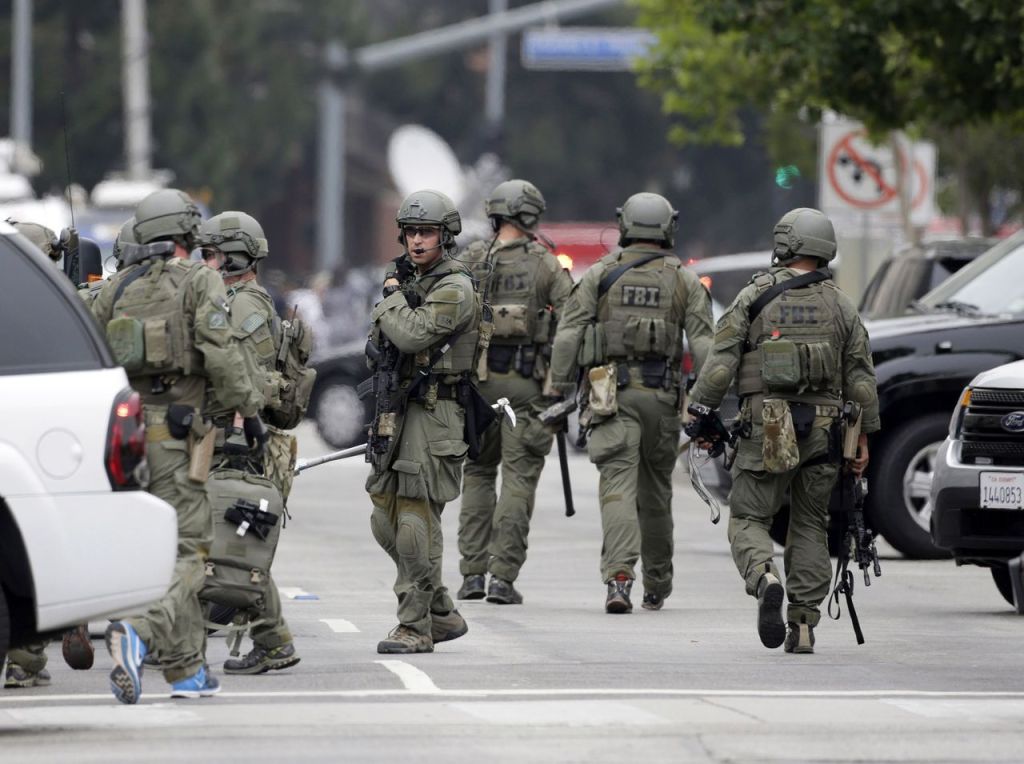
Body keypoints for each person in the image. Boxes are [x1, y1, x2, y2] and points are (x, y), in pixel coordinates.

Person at [91, 189, 266, 702]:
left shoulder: (116, 289)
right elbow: (221, 351)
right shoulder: (200, 280)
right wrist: (249, 412)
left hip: (125, 441)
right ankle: (138, 633)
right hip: (178, 439)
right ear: (188, 233)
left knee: (156, 553)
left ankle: (187, 670)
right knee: (191, 551)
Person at [688, 207, 879, 653]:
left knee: (751, 517)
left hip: (766, 427)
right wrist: (863, 436)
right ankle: (805, 624)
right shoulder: (841, 305)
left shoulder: (755, 296)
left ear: (785, 244)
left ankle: (764, 576)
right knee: (812, 522)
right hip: (826, 433)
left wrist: (699, 414)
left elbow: (720, 364)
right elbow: (862, 378)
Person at [548, 192, 714, 613]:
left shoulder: (602, 273)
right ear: (668, 228)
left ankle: (619, 579)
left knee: (617, 487)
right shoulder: (684, 280)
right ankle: (657, 583)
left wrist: (559, 387)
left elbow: (569, 333)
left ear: (625, 226)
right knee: (655, 492)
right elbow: (706, 345)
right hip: (662, 397)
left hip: (610, 395)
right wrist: (705, 403)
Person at [365, 189, 480, 654]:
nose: (416, 241)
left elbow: (411, 335)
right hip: (398, 409)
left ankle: (414, 626)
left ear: (445, 235)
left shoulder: (454, 287)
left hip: (436, 415)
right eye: (411, 232)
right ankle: (440, 611)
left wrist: (390, 301)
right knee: (383, 515)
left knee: (415, 521)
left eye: (426, 232)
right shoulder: (405, 281)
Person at [196, 211, 305, 675]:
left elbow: (245, 377)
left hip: (236, 442)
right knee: (220, 548)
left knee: (233, 553)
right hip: (225, 438)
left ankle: (273, 641)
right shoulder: (235, 299)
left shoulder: (243, 306)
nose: (204, 261)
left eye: (210, 253)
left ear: (235, 255)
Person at [456, 179, 572, 604]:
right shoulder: (544, 264)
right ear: (531, 216)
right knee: (518, 480)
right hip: (526, 387)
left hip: (478, 387)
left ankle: (471, 574)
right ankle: (502, 578)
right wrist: (562, 384)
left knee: (479, 473)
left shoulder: (472, 258)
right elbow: (574, 319)